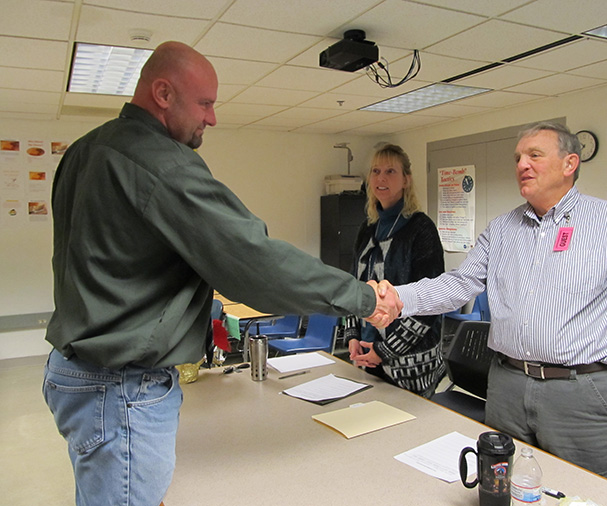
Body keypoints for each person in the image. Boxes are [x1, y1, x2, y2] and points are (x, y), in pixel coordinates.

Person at [42, 41, 399, 506]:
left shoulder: (85, 151)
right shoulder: (162, 163)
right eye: (205, 103)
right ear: (164, 93)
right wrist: (365, 299)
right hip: (120, 386)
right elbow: (255, 263)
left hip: (77, 373)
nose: (211, 118)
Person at [376, 122, 607, 482]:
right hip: (507, 387)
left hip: (581, 393)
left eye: (535, 155)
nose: (522, 164)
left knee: (589, 493)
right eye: (518, 157)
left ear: (569, 164)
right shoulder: (502, 229)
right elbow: (458, 284)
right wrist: (398, 297)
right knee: (505, 487)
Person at [348, 144, 445, 398]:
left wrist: (384, 351)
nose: (381, 178)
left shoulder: (421, 230)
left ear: (406, 180)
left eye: (390, 171)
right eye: (376, 171)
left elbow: (431, 303)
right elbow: (353, 287)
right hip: (366, 355)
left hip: (410, 366)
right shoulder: (367, 228)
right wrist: (352, 336)